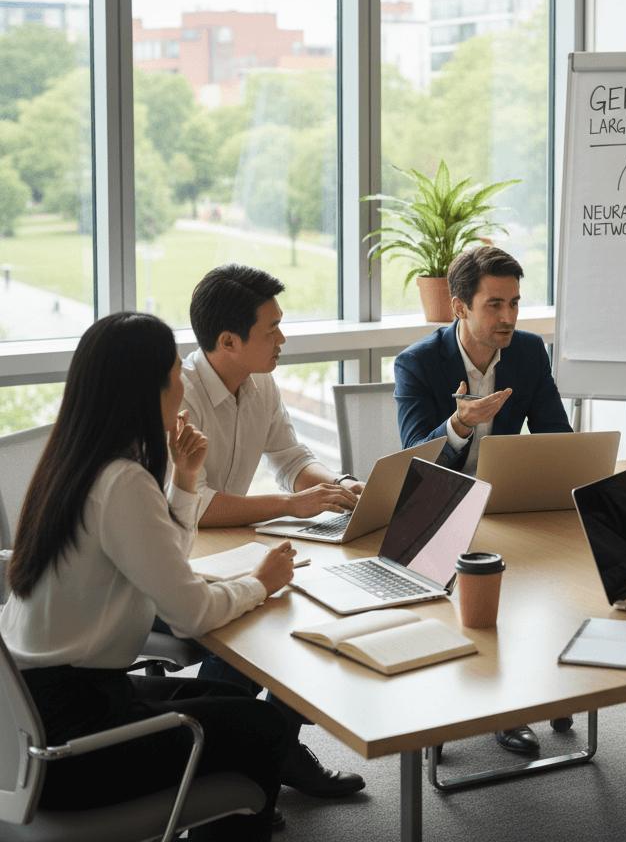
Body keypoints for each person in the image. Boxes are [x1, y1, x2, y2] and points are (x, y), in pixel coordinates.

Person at [0, 312, 294, 841]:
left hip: (26, 722)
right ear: (146, 388)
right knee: (266, 729)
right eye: (177, 374)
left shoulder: (74, 461)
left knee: (238, 709)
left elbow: (162, 567)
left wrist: (184, 479)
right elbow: (190, 615)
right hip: (71, 745)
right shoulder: (123, 480)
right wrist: (260, 583)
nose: (183, 388)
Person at [176, 263, 366, 799]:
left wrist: (340, 486)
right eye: (271, 330)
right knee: (267, 617)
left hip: (232, 549)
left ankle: (268, 748)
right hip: (182, 554)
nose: (283, 339)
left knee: (320, 605)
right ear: (229, 341)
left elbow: (291, 456)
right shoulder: (178, 395)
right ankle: (232, 759)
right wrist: (291, 505)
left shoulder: (260, 382)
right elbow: (193, 507)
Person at [394, 244, 572, 755]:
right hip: (439, 507)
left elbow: (555, 435)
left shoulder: (529, 352)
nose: (508, 317)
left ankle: (523, 697)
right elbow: (416, 461)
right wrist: (459, 424)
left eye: (514, 303)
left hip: (506, 504)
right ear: (460, 307)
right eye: (494, 304)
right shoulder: (418, 364)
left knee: (564, 562)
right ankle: (477, 708)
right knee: (483, 587)